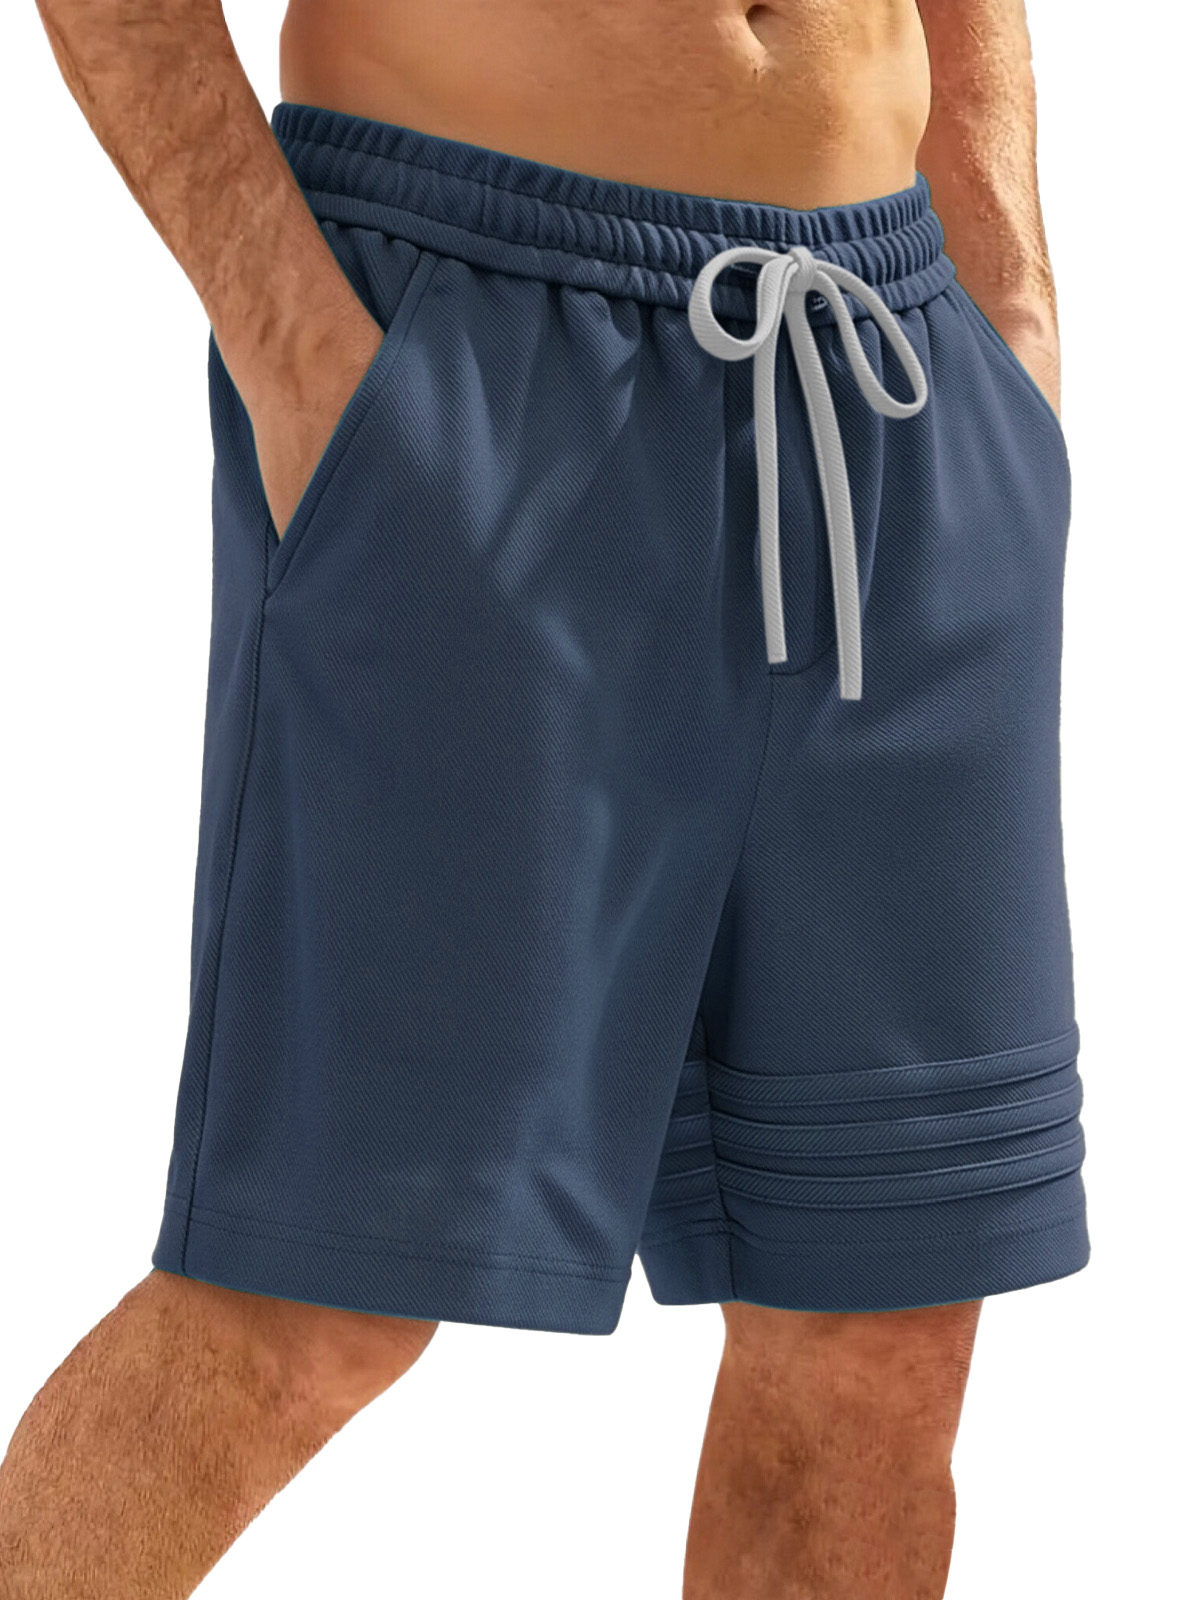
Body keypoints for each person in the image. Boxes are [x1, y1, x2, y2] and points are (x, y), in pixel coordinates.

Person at [1, 1, 1088, 1595]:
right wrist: (298, 348)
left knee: (878, 1334)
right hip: (481, 351)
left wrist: (1010, 314)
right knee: (308, 1298)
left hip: (894, 377)